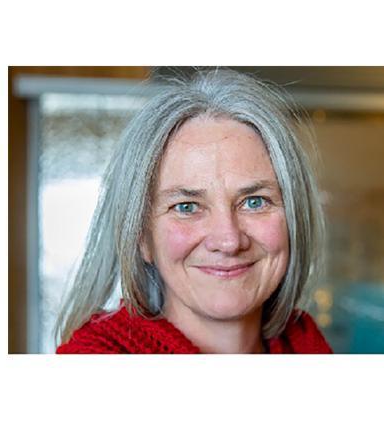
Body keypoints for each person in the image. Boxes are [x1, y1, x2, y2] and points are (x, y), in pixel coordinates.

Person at [55, 68, 332, 354]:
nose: (229, 241)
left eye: (254, 201)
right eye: (186, 207)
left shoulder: (309, 345)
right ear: (142, 237)